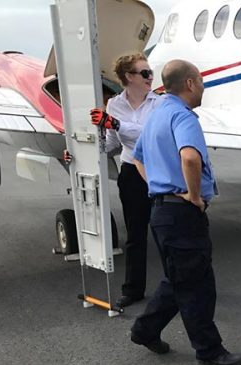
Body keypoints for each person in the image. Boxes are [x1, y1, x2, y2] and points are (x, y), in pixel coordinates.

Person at [130, 59, 241, 365]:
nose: (203, 87)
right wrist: (193, 196)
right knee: (198, 285)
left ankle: (145, 330)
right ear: (190, 83)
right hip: (182, 214)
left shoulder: (156, 114)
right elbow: (191, 158)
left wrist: (158, 185)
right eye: (201, 81)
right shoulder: (183, 116)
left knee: (180, 278)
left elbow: (137, 158)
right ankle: (209, 350)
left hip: (163, 211)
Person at [90, 53, 159, 308]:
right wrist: (80, 153)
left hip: (158, 171)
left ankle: (178, 285)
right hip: (131, 172)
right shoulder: (114, 104)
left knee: (165, 231)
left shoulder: (159, 103)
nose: (150, 77)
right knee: (135, 234)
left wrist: (117, 124)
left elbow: (150, 135)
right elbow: (112, 143)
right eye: (145, 73)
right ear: (129, 77)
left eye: (150, 72)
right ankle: (133, 289)